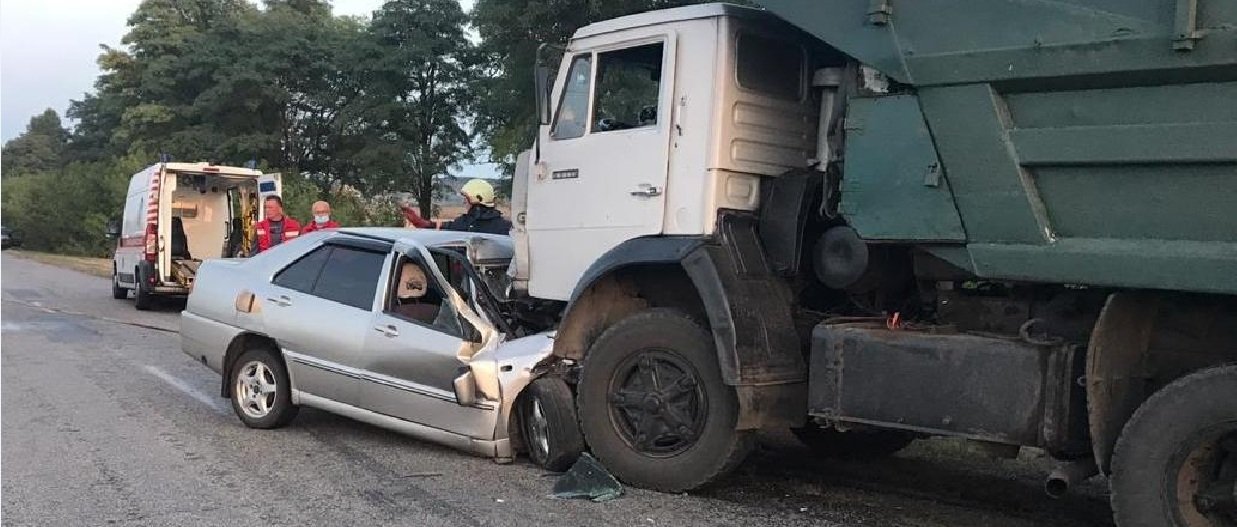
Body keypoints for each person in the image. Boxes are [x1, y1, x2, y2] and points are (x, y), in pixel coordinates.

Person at [400, 179, 512, 235]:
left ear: (475, 199)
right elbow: (444, 226)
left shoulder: (466, 224)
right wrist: (420, 222)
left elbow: (444, 228)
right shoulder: (507, 227)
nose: (464, 202)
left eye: (466, 199)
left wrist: (420, 222)